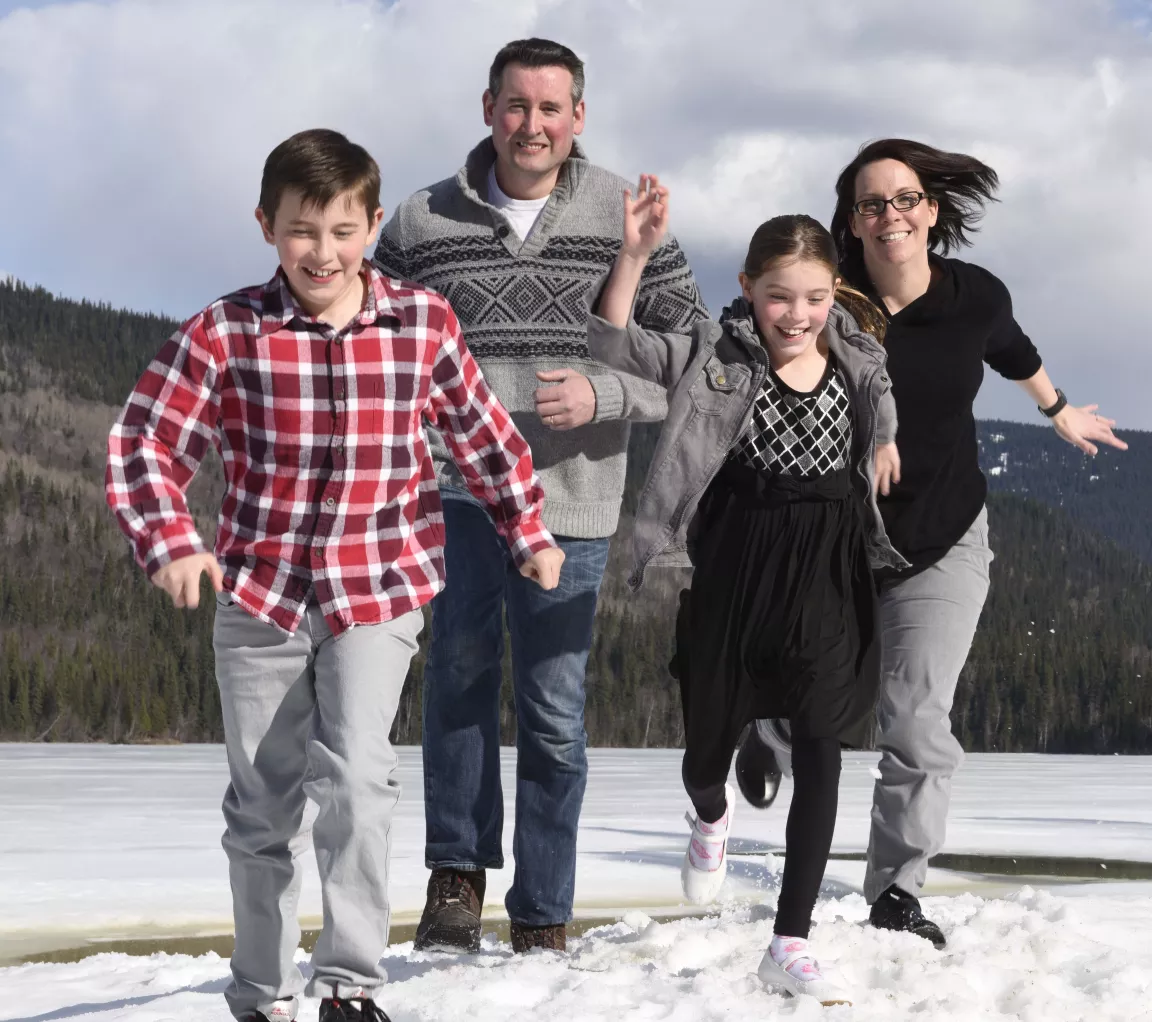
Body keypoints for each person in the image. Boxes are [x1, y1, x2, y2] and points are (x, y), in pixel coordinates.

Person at [105, 128, 563, 1022]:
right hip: (258, 594)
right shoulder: (226, 331)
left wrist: (527, 530)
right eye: (303, 231)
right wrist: (171, 541)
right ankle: (260, 995)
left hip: (377, 587)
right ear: (267, 226)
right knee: (263, 808)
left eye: (344, 231)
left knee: (357, 777)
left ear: (373, 223)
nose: (324, 252)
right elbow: (145, 440)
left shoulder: (420, 323)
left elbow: (482, 436)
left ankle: (351, 984)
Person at [737, 138, 1128, 949]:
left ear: (932, 212)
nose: (891, 216)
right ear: (851, 220)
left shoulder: (973, 297)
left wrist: (1059, 412)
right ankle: (764, 732)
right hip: (833, 540)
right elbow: (747, 344)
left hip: (943, 537)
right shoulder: (826, 301)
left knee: (915, 720)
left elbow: (1015, 350)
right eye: (873, 204)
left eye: (905, 199)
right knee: (808, 706)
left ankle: (896, 893)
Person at [373, 38, 708, 953]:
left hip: (575, 499)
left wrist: (608, 395)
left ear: (578, 118)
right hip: (452, 496)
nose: (533, 125)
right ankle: (455, 879)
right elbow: (376, 347)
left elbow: (698, 360)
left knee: (556, 710)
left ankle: (544, 912)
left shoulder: (624, 216)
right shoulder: (418, 221)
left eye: (551, 109)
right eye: (517, 106)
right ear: (488, 109)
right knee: (457, 681)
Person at [588, 175, 907, 1006]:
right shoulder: (714, 353)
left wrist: (883, 447)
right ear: (748, 291)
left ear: (832, 290)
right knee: (705, 747)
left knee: (826, 742)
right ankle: (710, 813)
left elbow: (882, 401)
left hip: (829, 567)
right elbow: (616, 349)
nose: (795, 315)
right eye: (777, 298)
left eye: (810, 297)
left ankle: (790, 939)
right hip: (736, 562)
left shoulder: (858, 357)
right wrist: (632, 257)